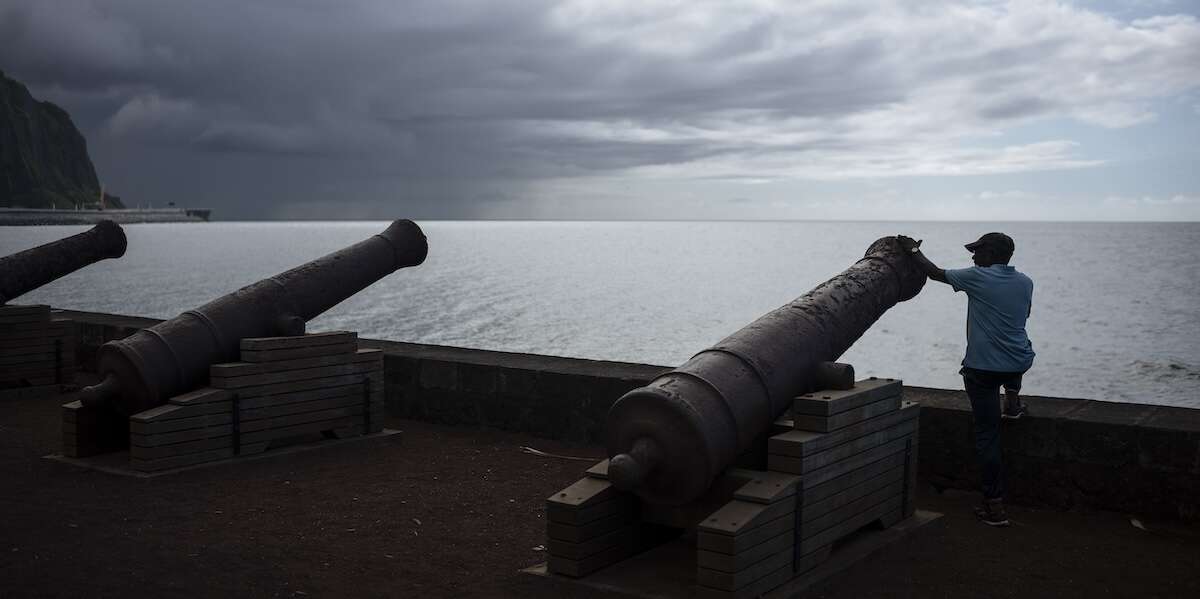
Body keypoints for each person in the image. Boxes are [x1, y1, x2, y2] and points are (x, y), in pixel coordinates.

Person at [897, 232, 1035, 527]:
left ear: (992, 254)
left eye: (978, 252)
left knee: (988, 436)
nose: (973, 257)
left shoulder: (977, 277)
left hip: (983, 370)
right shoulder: (1025, 282)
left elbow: (934, 273)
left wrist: (910, 248)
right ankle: (1012, 401)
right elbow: (1024, 315)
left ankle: (994, 506)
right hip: (1017, 362)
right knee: (1018, 354)